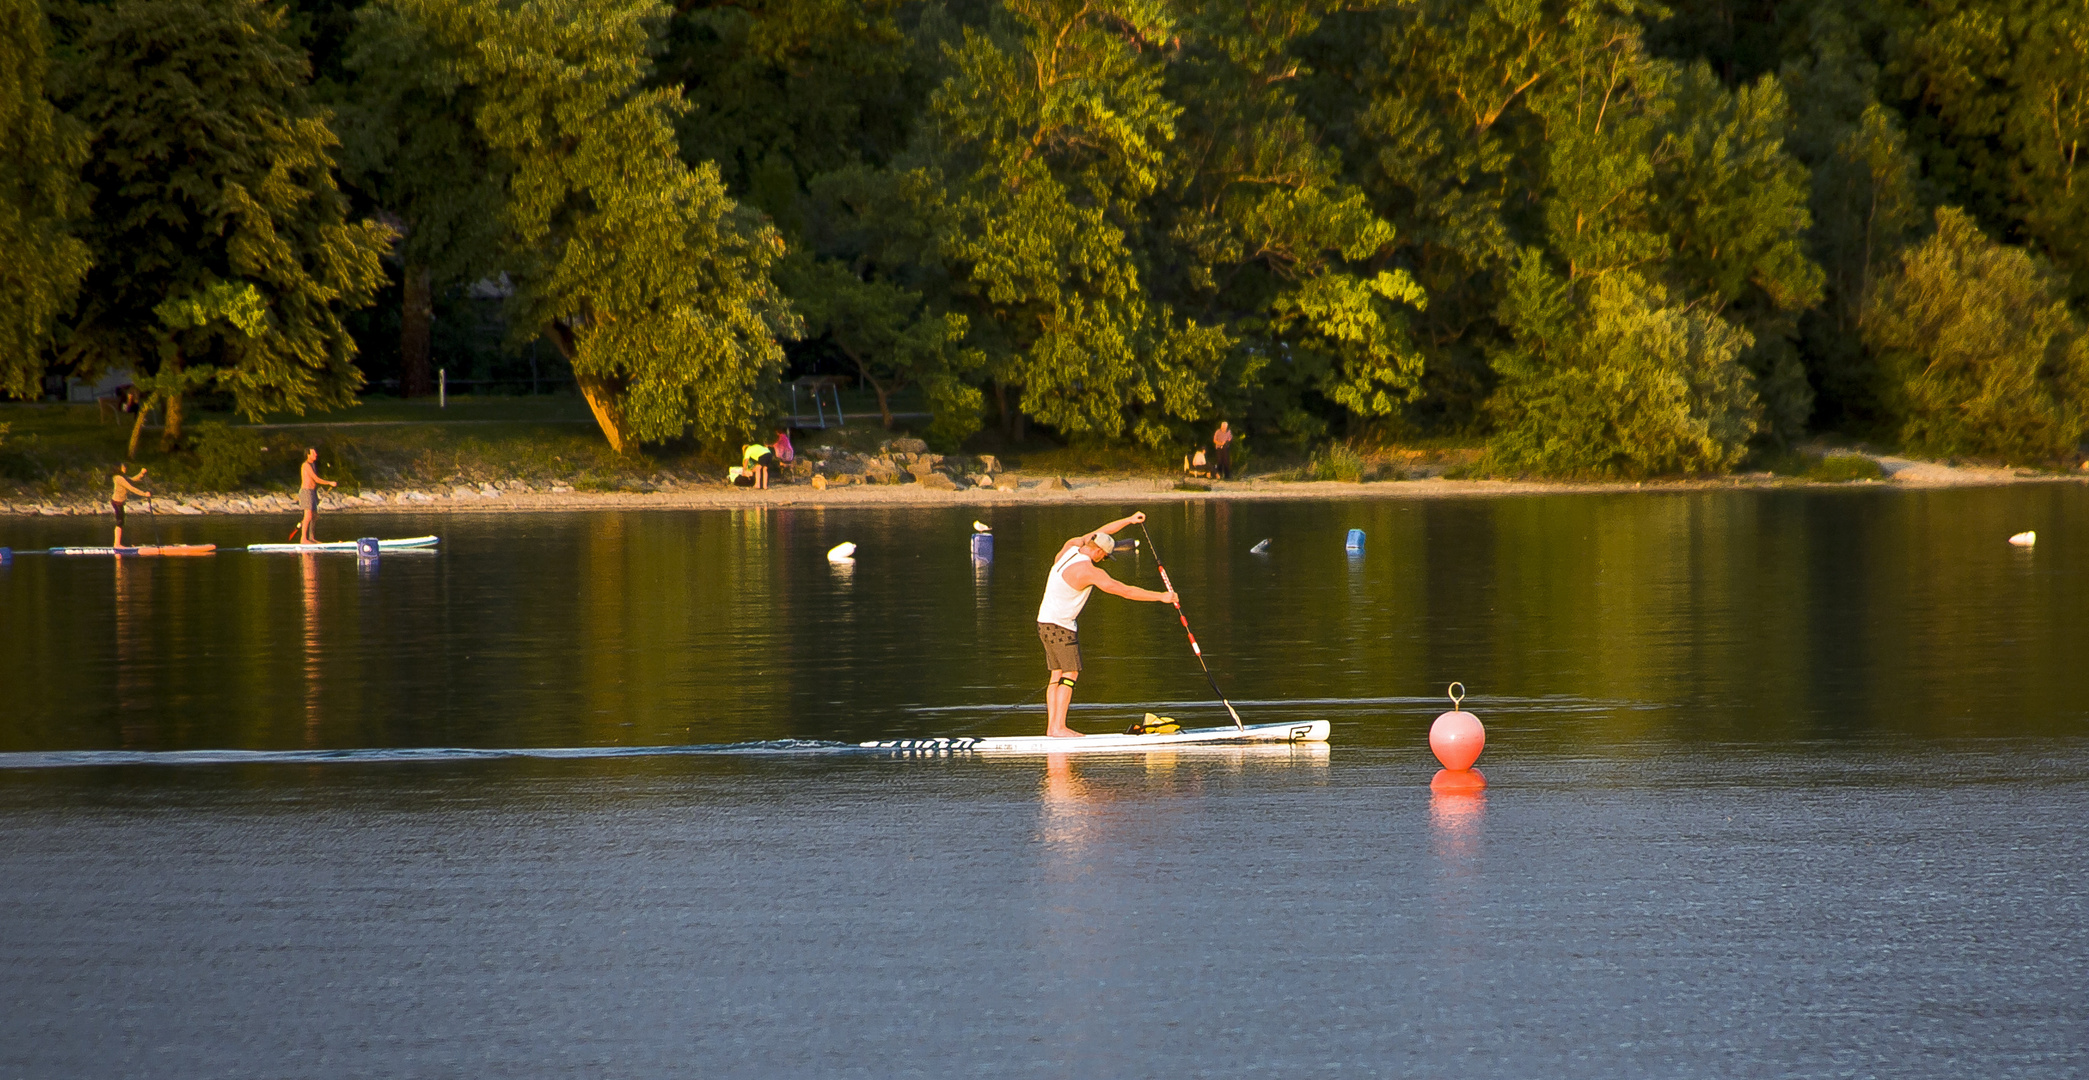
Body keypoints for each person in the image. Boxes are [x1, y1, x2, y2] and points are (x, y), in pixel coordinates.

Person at [1035, 512, 1176, 737]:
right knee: (1070, 673)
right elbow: (1125, 591)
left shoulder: (1070, 547)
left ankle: (1052, 728)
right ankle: (1058, 728)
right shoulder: (1089, 571)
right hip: (1061, 626)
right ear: (1099, 551)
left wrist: (1129, 520)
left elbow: (1103, 531)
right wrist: (1161, 597)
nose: (1103, 560)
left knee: (1056, 673)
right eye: (1105, 556)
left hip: (1044, 622)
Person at [289, 448, 337, 544]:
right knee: (308, 515)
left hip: (313, 492)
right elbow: (316, 479)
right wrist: (329, 483)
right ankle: (303, 539)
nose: (316, 454)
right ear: (308, 455)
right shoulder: (306, 465)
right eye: (313, 453)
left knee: (314, 516)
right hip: (306, 492)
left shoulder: (313, 465)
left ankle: (312, 538)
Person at [110, 464, 151, 547]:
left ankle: (117, 543)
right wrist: (144, 494)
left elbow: (133, 480)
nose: (125, 468)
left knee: (121, 521)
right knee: (120, 521)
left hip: (120, 502)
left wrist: (141, 473)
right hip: (117, 502)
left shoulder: (123, 477)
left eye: (125, 467)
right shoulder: (118, 478)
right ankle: (117, 544)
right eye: (123, 467)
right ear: (119, 468)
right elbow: (131, 487)